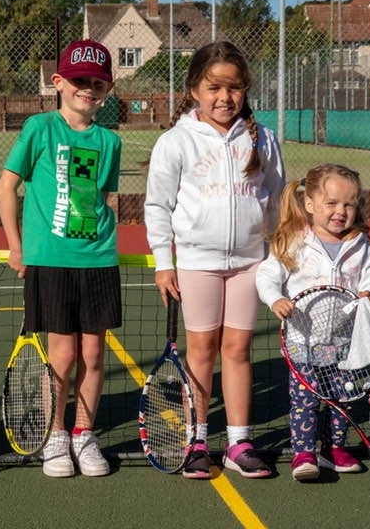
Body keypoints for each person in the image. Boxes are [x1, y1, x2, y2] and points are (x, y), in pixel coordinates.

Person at [144, 41, 286, 480]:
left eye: (235, 88)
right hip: (196, 262)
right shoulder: (175, 142)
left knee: (238, 350)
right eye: (214, 87)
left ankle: (239, 441)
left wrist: (279, 257)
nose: (225, 98)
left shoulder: (263, 138)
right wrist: (163, 262)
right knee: (201, 351)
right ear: (193, 90)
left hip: (251, 263)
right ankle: (197, 438)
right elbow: (157, 206)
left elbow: (278, 200)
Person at [0, 39, 122, 478]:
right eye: (79, 81)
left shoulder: (110, 141)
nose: (87, 89)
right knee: (62, 357)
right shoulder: (39, 128)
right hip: (51, 261)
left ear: (107, 88)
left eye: (96, 83)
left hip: (99, 260)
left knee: (94, 355)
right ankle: (55, 437)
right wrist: (16, 245)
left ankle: (84, 435)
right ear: (59, 82)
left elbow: (103, 197)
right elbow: (5, 187)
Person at [255, 163, 370, 481]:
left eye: (348, 204)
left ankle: (333, 448)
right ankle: (304, 452)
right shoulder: (294, 241)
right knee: (305, 400)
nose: (340, 211)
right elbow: (267, 274)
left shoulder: (363, 248)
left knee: (342, 397)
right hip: (302, 341)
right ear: (310, 205)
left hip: (346, 342)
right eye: (331, 203)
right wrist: (275, 298)